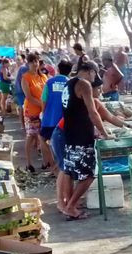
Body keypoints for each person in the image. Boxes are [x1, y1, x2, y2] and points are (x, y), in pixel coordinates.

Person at [62, 61, 112, 220]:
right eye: (95, 74)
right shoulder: (84, 84)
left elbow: (76, 110)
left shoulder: (68, 83)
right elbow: (92, 112)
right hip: (81, 136)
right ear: (90, 71)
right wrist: (104, 132)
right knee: (89, 174)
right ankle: (70, 207)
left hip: (70, 134)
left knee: (70, 172)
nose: (95, 78)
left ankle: (70, 205)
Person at [40, 59, 71, 184]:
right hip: (63, 121)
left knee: (43, 139)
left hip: (49, 119)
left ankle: (53, 166)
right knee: (62, 146)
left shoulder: (50, 81)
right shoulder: (69, 83)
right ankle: (58, 167)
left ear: (58, 69)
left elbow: (44, 100)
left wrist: (44, 112)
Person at [22, 53, 49, 173]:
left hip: (43, 112)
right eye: (32, 61)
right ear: (28, 64)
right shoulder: (25, 78)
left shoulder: (43, 77)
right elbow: (29, 97)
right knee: (31, 136)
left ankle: (45, 161)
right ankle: (28, 163)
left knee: (43, 137)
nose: (35, 64)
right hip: (31, 112)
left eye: (36, 61)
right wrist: (44, 105)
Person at [13, 55, 28, 129]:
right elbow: (23, 80)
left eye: (19, 60)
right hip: (21, 91)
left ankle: (24, 124)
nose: (18, 61)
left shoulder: (22, 67)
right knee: (22, 107)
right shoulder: (24, 68)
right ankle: (23, 125)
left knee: (23, 107)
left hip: (21, 90)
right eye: (17, 60)